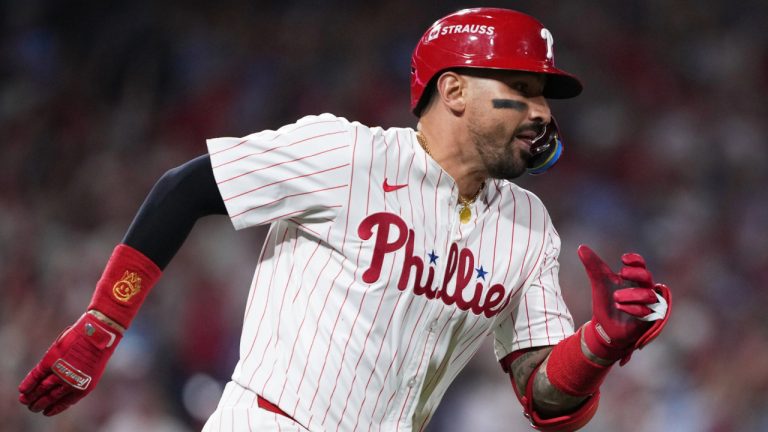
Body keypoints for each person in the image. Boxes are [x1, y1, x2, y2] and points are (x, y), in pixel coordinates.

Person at [18, 7, 671, 431]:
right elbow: (184, 188)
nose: (542, 113)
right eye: (523, 90)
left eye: (545, 97)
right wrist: (104, 323)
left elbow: (542, 397)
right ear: (454, 91)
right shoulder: (347, 153)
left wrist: (597, 347)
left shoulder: (528, 226)